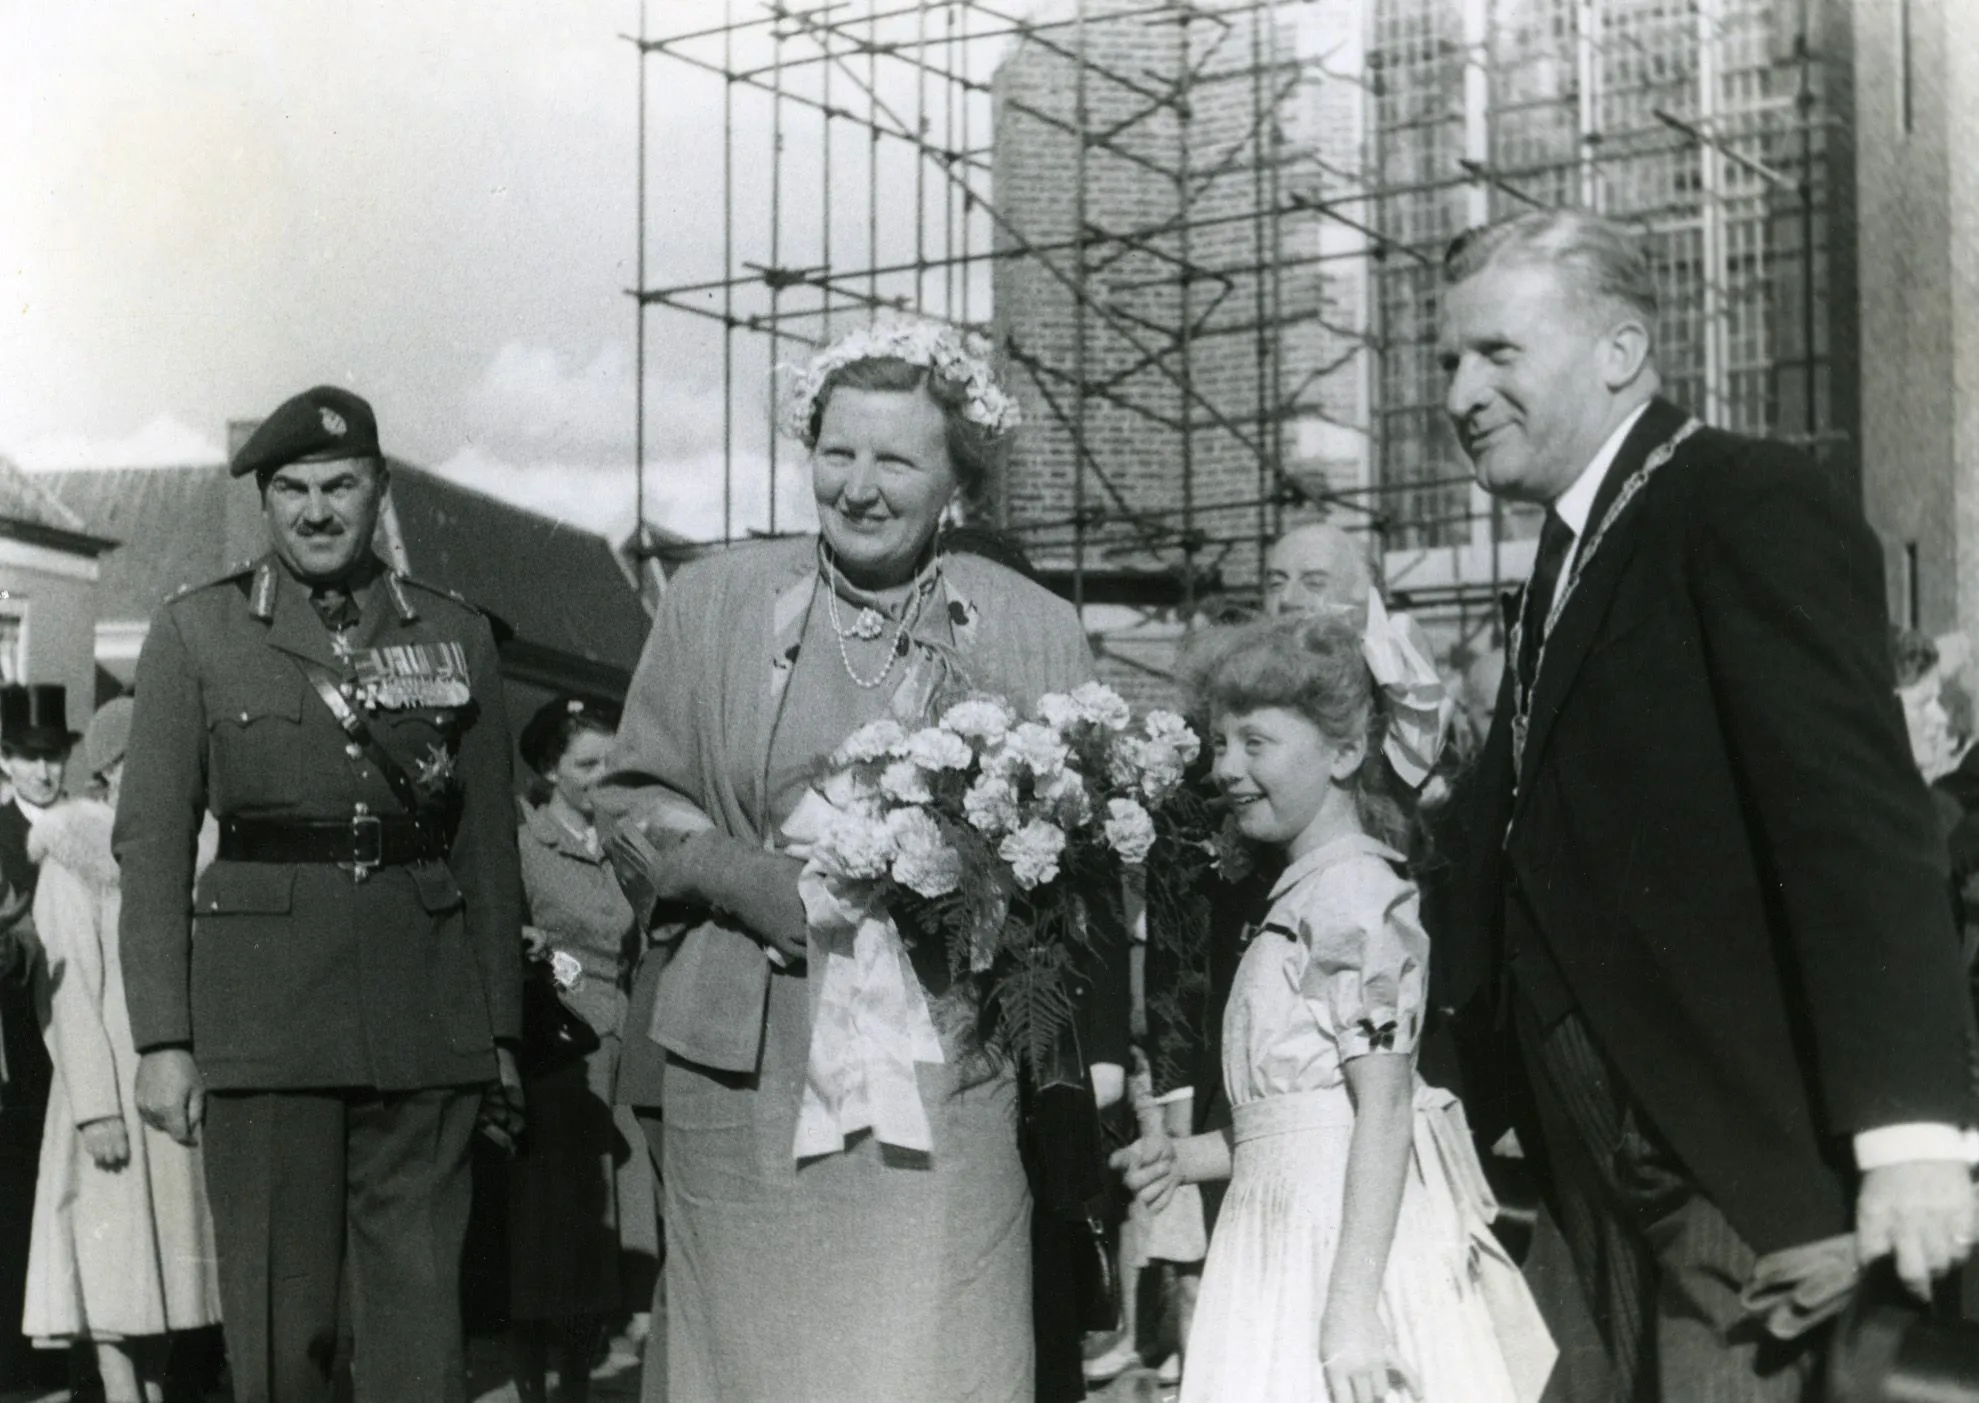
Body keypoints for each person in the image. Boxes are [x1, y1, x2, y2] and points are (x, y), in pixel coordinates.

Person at [1436, 208, 1977, 1401]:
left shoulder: (1736, 499)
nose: (1461, 392)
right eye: (1447, 362)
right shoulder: (1565, 558)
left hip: (1732, 1170)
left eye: (1495, 353)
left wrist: (1911, 1140)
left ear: (1619, 351)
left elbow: (1851, 822)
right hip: (1590, 1183)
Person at [594, 320, 1124, 1403]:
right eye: (837, 453)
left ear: (954, 483)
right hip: (746, 1062)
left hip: (949, 1064)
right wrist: (751, 881)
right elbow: (627, 800)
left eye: (896, 460)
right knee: (749, 1356)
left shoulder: (1032, 627)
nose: (859, 486)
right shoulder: (711, 604)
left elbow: (1082, 878)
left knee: (930, 1349)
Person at [115, 385, 526, 1403]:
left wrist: (500, 1032)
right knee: (277, 1326)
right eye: (291, 488)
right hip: (264, 1017)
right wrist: (164, 1037)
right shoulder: (198, 632)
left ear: (378, 487)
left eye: (340, 484)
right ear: (265, 502)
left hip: (423, 1012)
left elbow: (485, 849)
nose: (316, 510)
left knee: (419, 1328)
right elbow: (153, 844)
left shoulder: (453, 633)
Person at [1114, 612, 1548, 1403]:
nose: (1227, 768)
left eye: (1256, 742)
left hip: (1339, 1254)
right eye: (1219, 743)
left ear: (1345, 752)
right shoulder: (1295, 898)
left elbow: (1380, 1111)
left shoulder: (1356, 899)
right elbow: (1290, 1119)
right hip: (1274, 1240)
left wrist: (1349, 1312)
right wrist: (1185, 1158)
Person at [22, 698, 223, 1402]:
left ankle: (151, 1388)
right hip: (103, 1083)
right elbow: (68, 992)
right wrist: (96, 1109)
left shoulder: (197, 849)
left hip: (172, 1086)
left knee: (164, 1263)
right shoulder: (77, 850)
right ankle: (117, 1387)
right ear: (110, 770)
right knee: (111, 1255)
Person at [510, 695, 656, 1403]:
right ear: (549, 770)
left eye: (612, 761)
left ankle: (581, 1386)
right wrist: (541, 954)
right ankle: (538, 1388)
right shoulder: (524, 845)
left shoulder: (626, 843)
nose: (603, 776)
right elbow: (512, 936)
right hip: (560, 1055)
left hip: (623, 1046)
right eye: (587, 764)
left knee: (613, 1244)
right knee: (555, 1232)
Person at [0, 683, 76, 1390]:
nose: (44, 772)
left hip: (82, 1036)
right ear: (6, 759)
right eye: (30, 756)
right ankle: (21, 1362)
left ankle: (80, 1351)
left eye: (54, 757)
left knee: (78, 1194)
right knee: (19, 1192)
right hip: (16, 1040)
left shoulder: (89, 828)